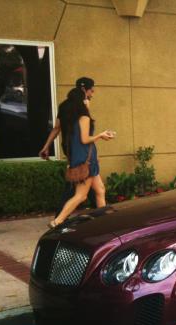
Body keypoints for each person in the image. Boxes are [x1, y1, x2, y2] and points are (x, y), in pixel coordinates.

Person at [47, 87, 114, 228]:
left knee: (100, 190)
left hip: (84, 157)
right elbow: (84, 139)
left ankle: (103, 223)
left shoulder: (71, 119)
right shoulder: (84, 117)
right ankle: (57, 221)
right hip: (86, 159)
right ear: (81, 100)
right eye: (86, 98)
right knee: (81, 195)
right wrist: (101, 135)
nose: (88, 99)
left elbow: (62, 131)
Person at [39, 77, 97, 215]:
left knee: (92, 185)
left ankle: (100, 212)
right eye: (91, 90)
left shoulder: (64, 106)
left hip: (70, 148)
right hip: (81, 150)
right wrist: (87, 108)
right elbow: (85, 133)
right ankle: (59, 218)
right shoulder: (82, 106)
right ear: (84, 90)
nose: (92, 94)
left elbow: (56, 128)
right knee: (75, 184)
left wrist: (46, 146)